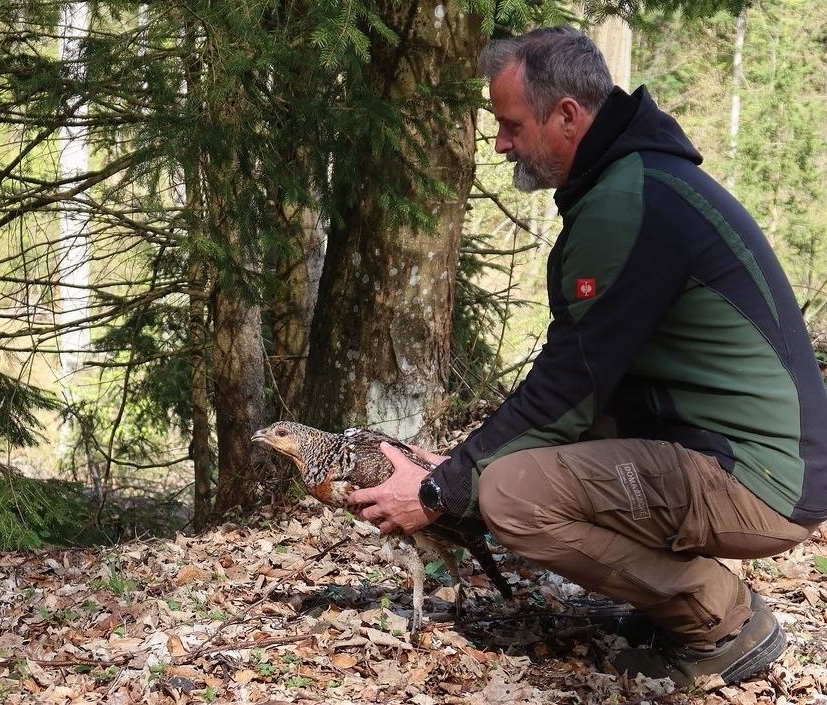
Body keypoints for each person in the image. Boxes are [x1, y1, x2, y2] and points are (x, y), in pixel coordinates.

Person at [348, 26, 827, 687]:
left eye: (511, 124)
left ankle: (721, 621)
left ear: (567, 116)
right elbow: (580, 387)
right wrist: (457, 466)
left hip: (760, 478)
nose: (499, 142)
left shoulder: (628, 200)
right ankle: (675, 601)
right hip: (745, 455)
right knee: (509, 465)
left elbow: (569, 387)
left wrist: (437, 491)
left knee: (512, 494)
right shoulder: (636, 180)